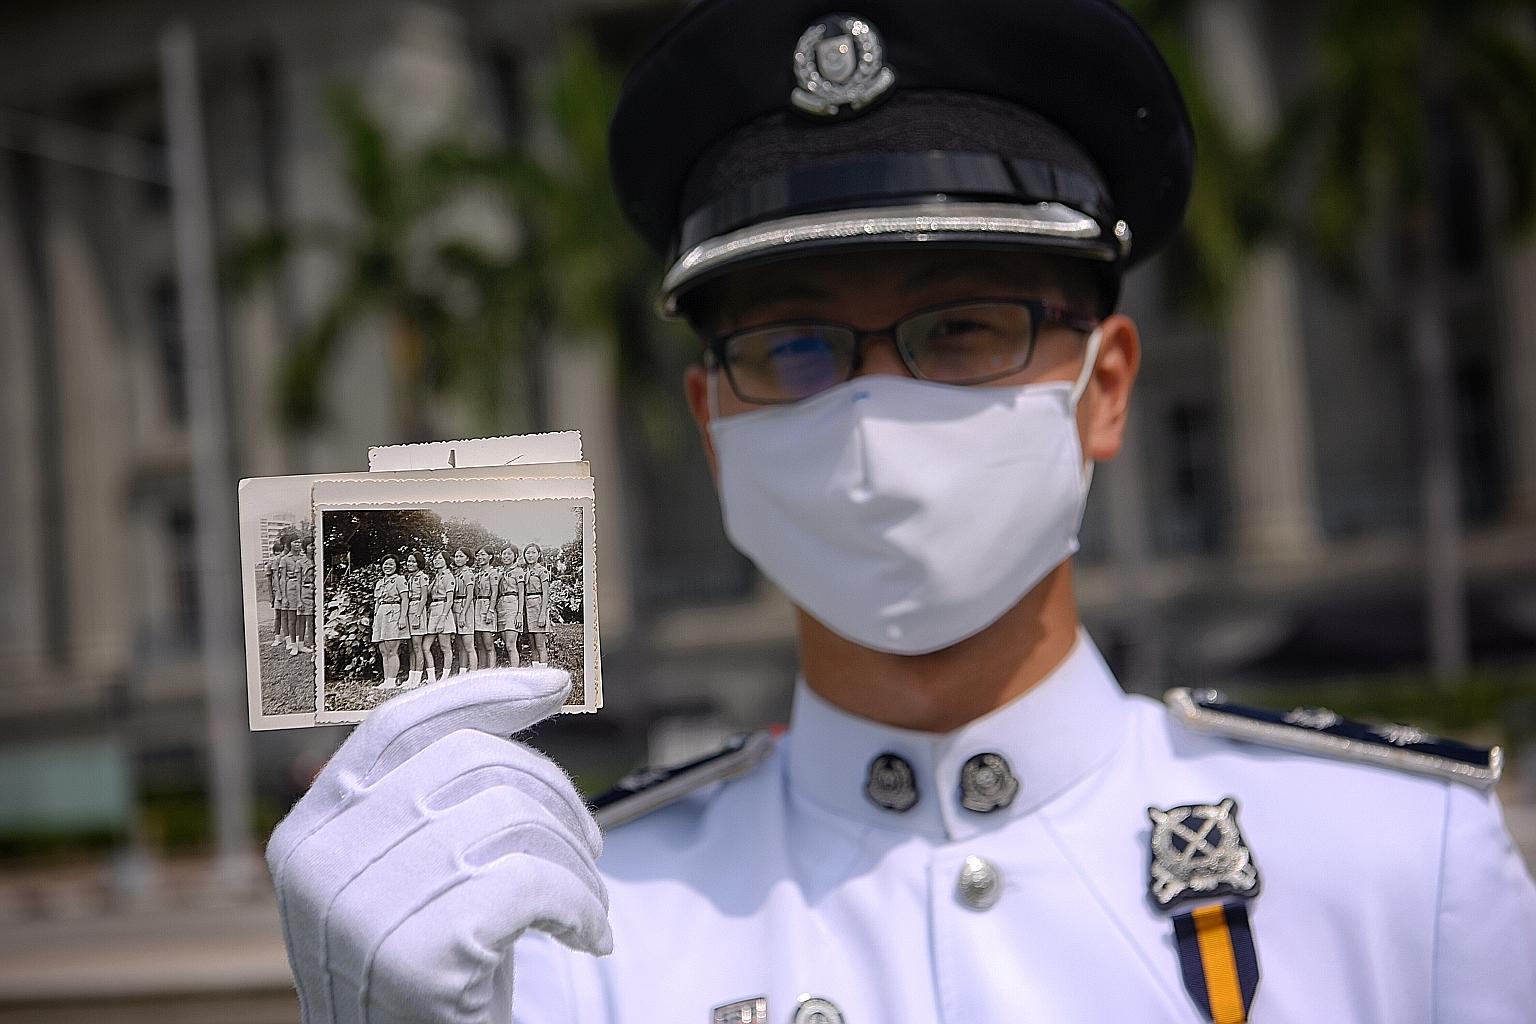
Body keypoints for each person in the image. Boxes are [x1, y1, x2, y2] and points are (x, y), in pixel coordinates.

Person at [266, 2, 1536, 1021]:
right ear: (716, 429)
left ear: (1104, 390)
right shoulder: (568, 937)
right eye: (796, 347)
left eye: (964, 329)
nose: (872, 412)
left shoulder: (1393, 867)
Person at [370, 555, 410, 691]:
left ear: (396, 566)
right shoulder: (380, 582)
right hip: (381, 614)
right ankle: (386, 680)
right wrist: (375, 619)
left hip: (393, 613)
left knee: (392, 649)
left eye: (391, 564)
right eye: (385, 564)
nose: (387, 567)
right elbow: (377, 602)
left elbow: (405, 599)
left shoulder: (399, 580)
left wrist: (403, 617)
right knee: (383, 650)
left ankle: (392, 681)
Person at [424, 549, 457, 682]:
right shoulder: (436, 577)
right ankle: (431, 677)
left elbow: (450, 600)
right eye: (435, 558)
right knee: (425, 647)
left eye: (440, 559)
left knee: (445, 647)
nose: (437, 561)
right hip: (433, 610)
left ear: (446, 561)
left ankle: (445, 677)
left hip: (444, 610)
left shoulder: (449, 576)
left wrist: (443, 619)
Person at [402, 551, 431, 689]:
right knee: (411, 647)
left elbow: (424, 597)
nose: (410, 564)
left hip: (417, 610)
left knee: (417, 646)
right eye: (408, 561)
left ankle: (417, 678)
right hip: (408, 610)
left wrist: (418, 615)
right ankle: (411, 677)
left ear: (419, 563)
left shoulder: (422, 577)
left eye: (413, 561)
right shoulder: (408, 577)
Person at [520, 542, 552, 666]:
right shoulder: (525, 571)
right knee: (532, 644)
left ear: (539, 554)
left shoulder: (542, 571)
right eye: (527, 553)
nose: (530, 555)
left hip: (538, 605)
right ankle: (535, 671)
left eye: (533, 552)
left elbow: (546, 593)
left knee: (540, 644)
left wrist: (542, 614)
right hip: (527, 607)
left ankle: (544, 673)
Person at [472, 547, 500, 671]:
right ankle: (481, 671)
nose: (480, 557)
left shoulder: (493, 573)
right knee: (479, 643)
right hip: (477, 606)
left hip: (487, 605)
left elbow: (495, 593)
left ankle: (492, 671)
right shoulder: (478, 575)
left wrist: (490, 611)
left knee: (488, 643)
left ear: (490, 556)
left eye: (483, 555)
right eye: (478, 555)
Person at [497, 545, 525, 668]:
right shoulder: (500, 572)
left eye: (509, 554)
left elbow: (521, 592)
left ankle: (515, 673)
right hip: (501, 606)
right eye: (504, 554)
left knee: (510, 644)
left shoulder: (518, 571)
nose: (506, 556)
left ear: (515, 556)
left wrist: (519, 613)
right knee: (505, 644)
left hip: (513, 605)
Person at [451, 547, 477, 674]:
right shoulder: (456, 573)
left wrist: (463, 614)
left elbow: (470, 595)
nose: (458, 559)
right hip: (455, 605)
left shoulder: (468, 573)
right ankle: (462, 671)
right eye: (456, 556)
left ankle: (473, 672)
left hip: (465, 607)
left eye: (461, 556)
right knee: (460, 644)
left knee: (468, 645)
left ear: (467, 559)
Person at [297, 540, 316, 655]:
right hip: (305, 593)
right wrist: (299, 600)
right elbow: (298, 582)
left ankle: (313, 643)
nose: (312, 547)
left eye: (314, 545)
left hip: (315, 592)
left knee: (313, 620)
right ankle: (305, 644)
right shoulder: (300, 562)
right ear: (305, 547)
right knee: (306, 620)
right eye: (310, 545)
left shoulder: (317, 560)